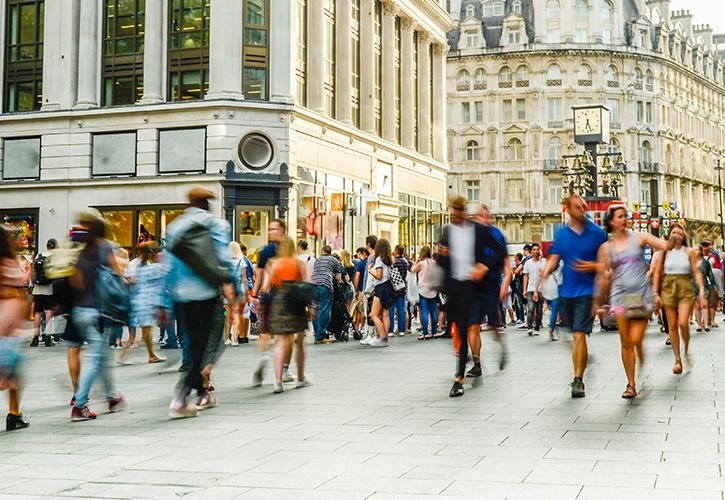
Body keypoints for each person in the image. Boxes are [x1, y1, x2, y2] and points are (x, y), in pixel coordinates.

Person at [162, 188, 236, 418]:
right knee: (212, 344)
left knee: (193, 346)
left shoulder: (175, 226)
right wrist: (234, 287)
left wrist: (164, 301)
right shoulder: (217, 224)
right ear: (207, 203)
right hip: (206, 294)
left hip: (180, 296)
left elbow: (169, 265)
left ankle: (203, 392)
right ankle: (181, 396)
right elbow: (223, 258)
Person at [595, 205, 672, 398]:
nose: (624, 219)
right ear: (611, 221)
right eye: (620, 216)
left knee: (636, 339)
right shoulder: (606, 248)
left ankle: (639, 357)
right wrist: (597, 301)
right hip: (620, 296)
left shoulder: (639, 237)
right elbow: (603, 275)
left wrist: (673, 237)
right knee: (626, 341)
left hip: (641, 295)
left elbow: (663, 246)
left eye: (625, 216)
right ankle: (631, 384)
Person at [537, 194, 608, 399]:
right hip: (566, 292)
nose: (582, 210)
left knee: (579, 335)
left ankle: (578, 379)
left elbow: (607, 263)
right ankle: (581, 358)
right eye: (577, 207)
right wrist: (545, 271)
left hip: (587, 292)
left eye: (584, 207)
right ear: (567, 209)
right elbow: (555, 257)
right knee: (570, 335)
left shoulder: (597, 233)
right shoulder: (562, 234)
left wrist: (594, 266)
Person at [437, 196, 506, 397]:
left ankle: (458, 379)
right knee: (458, 330)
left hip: (471, 286)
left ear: (464, 211)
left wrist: (483, 266)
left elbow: (498, 250)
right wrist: (442, 257)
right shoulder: (447, 231)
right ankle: (467, 360)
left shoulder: (478, 230)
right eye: (452, 210)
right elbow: (441, 261)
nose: (454, 214)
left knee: (466, 327)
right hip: (453, 288)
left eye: (458, 210)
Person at [70, 209, 126, 421]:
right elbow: (117, 275)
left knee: (101, 356)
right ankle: (80, 405)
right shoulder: (105, 247)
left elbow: (75, 282)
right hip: (98, 312)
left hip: (79, 310)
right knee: (95, 358)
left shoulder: (79, 250)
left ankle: (112, 396)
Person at [653, 224, 706, 374]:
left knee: (683, 322)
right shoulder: (664, 251)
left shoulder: (689, 252)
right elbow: (657, 273)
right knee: (673, 325)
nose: (677, 235)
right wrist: (655, 292)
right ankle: (677, 359)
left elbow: (696, 272)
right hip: (668, 287)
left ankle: (686, 351)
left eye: (680, 233)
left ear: (683, 236)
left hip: (684, 287)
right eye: (674, 232)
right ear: (670, 235)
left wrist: (701, 290)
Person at [264, 236, 312, 393]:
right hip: (295, 301)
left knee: (281, 342)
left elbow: (266, 287)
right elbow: (305, 284)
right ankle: (300, 378)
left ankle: (278, 381)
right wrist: (310, 307)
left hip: (279, 301)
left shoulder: (274, 263)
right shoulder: (300, 263)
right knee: (300, 342)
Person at [0, 226, 30, 431]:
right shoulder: (9, 264)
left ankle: (15, 415)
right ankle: (14, 414)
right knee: (12, 373)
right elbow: (20, 291)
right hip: (7, 326)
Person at [118, 242, 166, 365]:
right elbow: (130, 279)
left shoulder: (143, 265)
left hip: (139, 301)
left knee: (145, 333)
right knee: (144, 334)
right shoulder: (145, 266)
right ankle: (124, 355)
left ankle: (151, 355)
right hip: (146, 302)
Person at [251, 219, 285, 385]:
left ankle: (262, 356)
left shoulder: (265, 251)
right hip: (283, 297)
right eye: (270, 229)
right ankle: (282, 371)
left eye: (273, 229)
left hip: (267, 295)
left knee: (264, 331)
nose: (271, 232)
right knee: (280, 335)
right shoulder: (288, 250)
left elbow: (258, 275)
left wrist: (255, 295)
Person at [366, 238, 395, 347]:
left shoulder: (379, 260)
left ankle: (382, 337)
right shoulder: (389, 259)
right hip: (388, 287)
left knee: (374, 315)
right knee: (385, 314)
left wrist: (370, 270)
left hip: (381, 288)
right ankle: (385, 337)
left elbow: (379, 275)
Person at [29, 238, 58, 347]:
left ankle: (35, 338)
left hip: (38, 288)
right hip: (49, 288)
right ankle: (47, 337)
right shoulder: (54, 257)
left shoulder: (39, 256)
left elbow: (33, 272)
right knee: (48, 312)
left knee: (37, 313)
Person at [311, 246, 341, 344]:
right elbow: (338, 277)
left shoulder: (317, 260)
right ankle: (320, 336)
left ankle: (317, 333)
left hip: (314, 285)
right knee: (324, 310)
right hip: (325, 286)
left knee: (315, 310)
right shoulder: (334, 260)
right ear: (330, 252)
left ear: (322, 251)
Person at [411, 246, 438, 340]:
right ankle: (434, 332)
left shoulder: (421, 264)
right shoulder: (435, 262)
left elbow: (412, 270)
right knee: (433, 311)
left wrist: (417, 261)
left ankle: (425, 333)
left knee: (424, 311)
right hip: (433, 289)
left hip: (423, 290)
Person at [224, 242, 247, 346]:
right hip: (237, 289)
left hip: (227, 289)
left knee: (227, 315)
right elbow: (244, 278)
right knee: (236, 313)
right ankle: (235, 340)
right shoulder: (241, 262)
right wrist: (246, 291)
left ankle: (227, 338)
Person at [523, 243, 546, 336]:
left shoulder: (543, 262)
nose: (536, 251)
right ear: (531, 251)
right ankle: (529, 328)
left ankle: (537, 327)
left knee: (539, 310)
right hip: (530, 289)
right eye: (534, 249)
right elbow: (525, 276)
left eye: (537, 249)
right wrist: (524, 289)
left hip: (541, 289)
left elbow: (545, 275)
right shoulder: (528, 262)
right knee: (531, 308)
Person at [693, 246, 718, 332]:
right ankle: (699, 325)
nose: (694, 251)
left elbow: (710, 274)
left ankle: (706, 324)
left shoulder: (705, 262)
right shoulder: (691, 262)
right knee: (696, 306)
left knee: (704, 304)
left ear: (700, 251)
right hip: (693, 284)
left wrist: (713, 285)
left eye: (696, 250)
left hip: (704, 284)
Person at [388, 245, 410, 336]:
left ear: (396, 251)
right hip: (402, 288)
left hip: (393, 289)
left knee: (391, 309)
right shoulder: (405, 262)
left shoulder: (393, 262)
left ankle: (390, 330)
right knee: (401, 309)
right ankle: (401, 330)